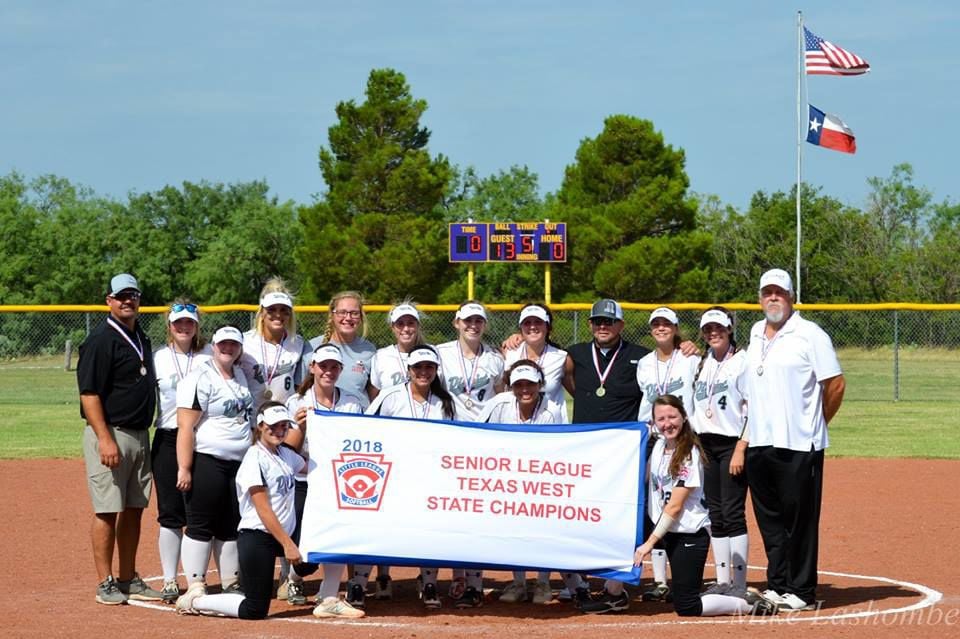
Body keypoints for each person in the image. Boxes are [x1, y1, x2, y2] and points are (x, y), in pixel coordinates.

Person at [583, 395, 778, 617]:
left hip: (688, 534)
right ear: (654, 423)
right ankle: (614, 594)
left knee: (687, 605)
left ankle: (748, 604)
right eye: (661, 419)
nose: (668, 424)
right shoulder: (658, 447)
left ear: (684, 417)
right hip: (663, 527)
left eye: (672, 417)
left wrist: (648, 544)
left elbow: (675, 507)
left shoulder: (688, 453)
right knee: (625, 532)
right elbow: (641, 479)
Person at [176, 404, 364, 619]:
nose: (279, 431)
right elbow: (263, 510)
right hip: (258, 536)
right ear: (260, 425)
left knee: (330, 535)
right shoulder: (254, 457)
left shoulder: (285, 454)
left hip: (283, 533)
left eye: (284, 426)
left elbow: (316, 468)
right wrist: (288, 544)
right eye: (273, 426)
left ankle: (328, 598)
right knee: (255, 609)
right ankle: (196, 600)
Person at [742, 268, 845, 611]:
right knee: (770, 520)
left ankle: (801, 591)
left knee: (799, 521)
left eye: (780, 292)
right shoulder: (756, 332)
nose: (773, 298)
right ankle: (778, 584)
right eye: (767, 292)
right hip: (760, 441)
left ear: (791, 297)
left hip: (800, 444)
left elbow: (835, 385)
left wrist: (815, 423)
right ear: (760, 298)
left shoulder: (810, 334)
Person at [77, 273, 165, 604]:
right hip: (112, 432)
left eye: (133, 295)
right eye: (121, 296)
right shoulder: (101, 339)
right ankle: (106, 582)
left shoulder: (139, 334)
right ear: (109, 300)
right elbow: (89, 393)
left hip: (140, 434)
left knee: (133, 509)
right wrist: (105, 438)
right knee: (107, 509)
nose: (128, 300)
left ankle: (128, 577)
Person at [478, 360, 589, 608]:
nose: (525, 389)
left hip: (541, 479)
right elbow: (476, 431)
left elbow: (559, 446)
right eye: (519, 384)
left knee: (543, 530)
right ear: (511, 385)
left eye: (530, 384)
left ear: (540, 384)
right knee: (514, 529)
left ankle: (543, 582)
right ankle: (518, 582)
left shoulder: (552, 410)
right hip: (506, 477)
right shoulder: (499, 404)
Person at [365, 344, 458, 609]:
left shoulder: (446, 401)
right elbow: (366, 428)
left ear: (436, 370)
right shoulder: (391, 396)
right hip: (395, 474)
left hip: (432, 476)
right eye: (418, 367)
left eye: (429, 367)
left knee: (431, 530)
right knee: (385, 526)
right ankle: (380, 578)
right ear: (408, 369)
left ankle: (429, 582)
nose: (424, 372)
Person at [239, 278, 312, 598]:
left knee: (284, 496)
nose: (278, 315)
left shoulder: (299, 344)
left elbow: (303, 385)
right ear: (261, 312)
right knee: (251, 500)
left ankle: (288, 578)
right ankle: (248, 572)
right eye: (272, 310)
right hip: (250, 427)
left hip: (280, 428)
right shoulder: (244, 342)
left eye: (284, 310)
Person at [282, 343, 366, 617]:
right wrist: (301, 426)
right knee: (303, 550)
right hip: (303, 479)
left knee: (338, 534)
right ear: (312, 367)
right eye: (323, 366)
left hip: (337, 482)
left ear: (340, 369)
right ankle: (294, 578)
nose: (328, 371)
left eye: (334, 366)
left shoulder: (352, 402)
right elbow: (287, 449)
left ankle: (329, 594)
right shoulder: (297, 402)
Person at [176, 325, 255, 599]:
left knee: (230, 523)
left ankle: (230, 581)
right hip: (208, 459)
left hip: (238, 462)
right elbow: (186, 426)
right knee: (200, 522)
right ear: (214, 345)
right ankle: (196, 583)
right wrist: (185, 468)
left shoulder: (241, 375)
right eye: (223, 344)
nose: (228, 348)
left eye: (234, 345)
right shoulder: (200, 378)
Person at [435, 301, 505, 607]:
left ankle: (474, 580)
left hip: (484, 441)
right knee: (452, 510)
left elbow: (501, 392)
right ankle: (457, 575)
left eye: (478, 321)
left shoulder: (494, 357)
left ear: (485, 324)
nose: (472, 325)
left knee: (477, 511)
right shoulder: (439, 352)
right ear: (456, 322)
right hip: (450, 438)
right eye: (467, 320)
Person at [634, 306, 701, 603]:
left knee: (677, 499)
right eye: (656, 324)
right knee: (654, 497)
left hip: (682, 435)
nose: (661, 328)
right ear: (651, 329)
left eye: (667, 324)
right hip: (655, 437)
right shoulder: (645, 363)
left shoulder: (690, 357)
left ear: (675, 328)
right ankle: (660, 581)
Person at [151, 300, 212, 602]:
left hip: (203, 439)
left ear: (197, 325)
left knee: (200, 510)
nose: (184, 327)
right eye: (179, 323)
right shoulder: (158, 358)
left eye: (189, 322)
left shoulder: (210, 355)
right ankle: (169, 579)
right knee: (170, 512)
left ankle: (197, 578)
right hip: (167, 437)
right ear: (169, 326)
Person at [690, 307, 750, 597]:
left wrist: (741, 447)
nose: (713, 333)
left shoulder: (742, 361)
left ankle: (739, 584)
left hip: (731, 443)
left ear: (729, 330)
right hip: (705, 445)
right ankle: (723, 580)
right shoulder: (702, 362)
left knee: (733, 511)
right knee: (716, 513)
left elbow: (754, 409)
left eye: (719, 328)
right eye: (708, 330)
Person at [502, 303, 569, 422]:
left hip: (548, 427)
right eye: (527, 323)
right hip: (513, 426)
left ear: (548, 327)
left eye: (538, 322)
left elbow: (579, 395)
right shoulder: (508, 352)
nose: (532, 327)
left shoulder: (561, 358)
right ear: (520, 327)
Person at [309, 290, 377, 407]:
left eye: (354, 313)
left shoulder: (369, 350)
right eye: (342, 312)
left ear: (360, 317)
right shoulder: (312, 346)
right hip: (322, 418)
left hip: (356, 419)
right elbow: (301, 388)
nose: (348, 318)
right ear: (332, 315)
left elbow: (373, 394)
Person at [369, 300, 426, 399]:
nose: (406, 329)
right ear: (392, 327)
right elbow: (374, 395)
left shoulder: (431, 353)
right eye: (400, 324)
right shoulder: (381, 356)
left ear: (418, 326)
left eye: (411, 323)